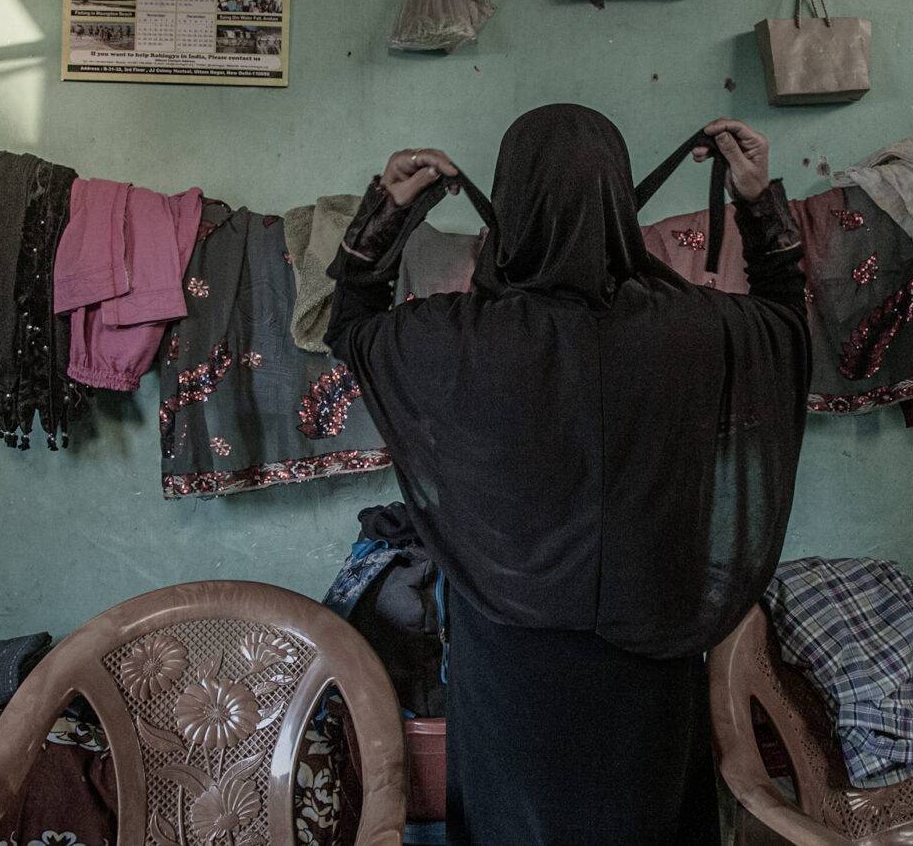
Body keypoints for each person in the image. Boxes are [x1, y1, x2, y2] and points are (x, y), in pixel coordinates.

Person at [326, 105, 810, 845]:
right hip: (653, 652)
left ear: (509, 202)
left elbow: (351, 329)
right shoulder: (695, 333)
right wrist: (755, 198)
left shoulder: (462, 339)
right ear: (620, 200)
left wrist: (387, 212)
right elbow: (785, 325)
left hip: (510, 661)